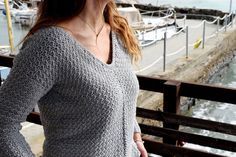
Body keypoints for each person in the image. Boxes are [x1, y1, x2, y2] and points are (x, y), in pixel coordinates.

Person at [0, 0, 148, 156]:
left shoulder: (117, 32)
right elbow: (3, 123)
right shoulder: (50, 45)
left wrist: (135, 136)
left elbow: (121, 94)